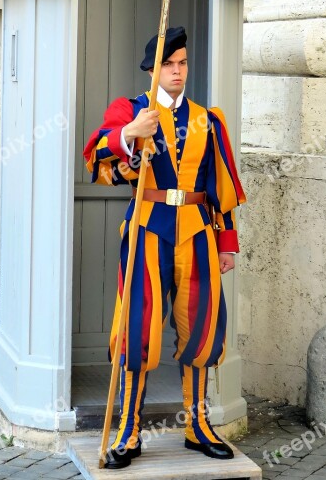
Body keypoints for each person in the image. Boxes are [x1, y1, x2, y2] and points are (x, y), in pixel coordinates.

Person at [83, 26, 246, 470]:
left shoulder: (207, 119)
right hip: (149, 228)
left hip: (197, 231)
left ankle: (198, 426)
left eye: (182, 63)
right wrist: (132, 136)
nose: (177, 72)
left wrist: (227, 243)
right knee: (137, 328)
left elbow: (222, 188)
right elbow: (103, 162)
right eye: (168, 65)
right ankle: (129, 431)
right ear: (152, 71)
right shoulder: (130, 110)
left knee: (201, 329)